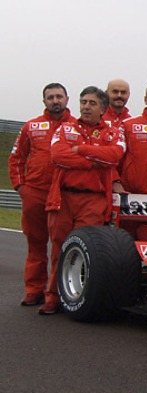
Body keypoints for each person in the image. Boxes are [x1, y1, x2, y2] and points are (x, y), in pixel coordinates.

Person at [41, 86, 126, 314]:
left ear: (103, 109)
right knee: (58, 248)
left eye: (92, 103)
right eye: (83, 102)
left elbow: (115, 156)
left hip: (94, 200)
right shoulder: (65, 128)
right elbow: (58, 156)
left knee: (86, 250)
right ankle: (52, 297)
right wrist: (94, 160)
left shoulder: (113, 132)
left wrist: (80, 150)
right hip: (63, 197)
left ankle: (80, 297)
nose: (86, 107)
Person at [8, 83, 76, 306]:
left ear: (67, 99)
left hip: (64, 194)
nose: (55, 100)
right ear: (44, 100)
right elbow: (16, 159)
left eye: (59, 96)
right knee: (36, 244)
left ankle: (55, 294)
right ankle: (34, 289)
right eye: (50, 97)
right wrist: (21, 187)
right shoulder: (31, 126)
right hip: (35, 193)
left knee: (62, 246)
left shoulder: (77, 127)